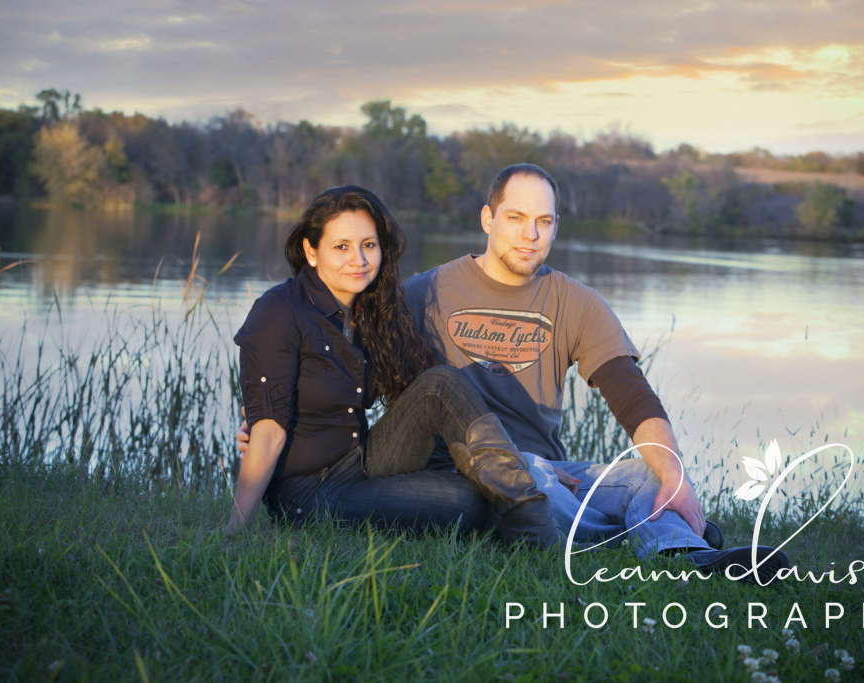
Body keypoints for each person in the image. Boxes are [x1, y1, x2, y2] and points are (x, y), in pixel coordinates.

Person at [401, 164, 790, 582]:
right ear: (487, 219)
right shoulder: (425, 292)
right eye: (515, 218)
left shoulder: (576, 302)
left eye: (543, 222)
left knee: (645, 474)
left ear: (555, 227)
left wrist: (674, 476)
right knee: (531, 475)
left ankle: (686, 553)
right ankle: (631, 534)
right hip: (466, 472)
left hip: (553, 472)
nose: (531, 235)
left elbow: (633, 398)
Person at [226, 185, 559, 548]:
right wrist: (235, 531)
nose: (359, 260)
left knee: (440, 384)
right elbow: (269, 433)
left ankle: (535, 523)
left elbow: (427, 400)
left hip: (360, 462)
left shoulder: (370, 311)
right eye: (341, 247)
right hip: (307, 494)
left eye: (368, 245)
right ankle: (539, 533)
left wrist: (523, 462)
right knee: (464, 502)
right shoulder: (278, 311)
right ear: (311, 251)